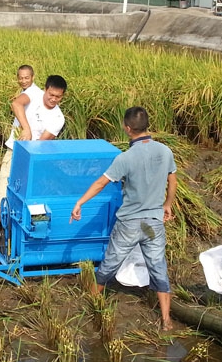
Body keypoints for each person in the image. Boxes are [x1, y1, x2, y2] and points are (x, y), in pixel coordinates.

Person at [71, 107, 176, 331]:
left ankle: (93, 302)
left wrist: (80, 203)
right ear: (147, 125)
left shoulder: (126, 157)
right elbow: (172, 180)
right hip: (152, 223)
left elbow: (101, 183)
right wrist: (167, 205)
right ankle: (166, 320)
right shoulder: (165, 151)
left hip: (129, 223)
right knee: (158, 267)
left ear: (127, 128)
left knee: (110, 263)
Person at [0, 73, 66, 207]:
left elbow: (41, 144)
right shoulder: (34, 93)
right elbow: (16, 104)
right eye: (51, 94)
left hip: (33, 157)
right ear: (45, 89)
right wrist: (26, 129)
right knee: (3, 190)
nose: (53, 99)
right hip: (14, 150)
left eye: (58, 97)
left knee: (25, 194)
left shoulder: (58, 118)